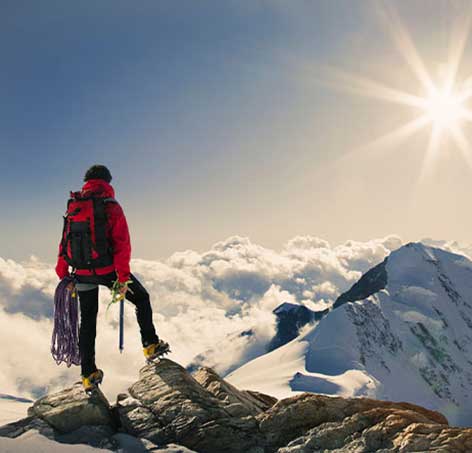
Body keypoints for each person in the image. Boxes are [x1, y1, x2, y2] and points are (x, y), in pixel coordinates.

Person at [55, 165, 169, 391]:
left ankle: (88, 374)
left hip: (81, 273)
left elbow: (64, 242)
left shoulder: (74, 206)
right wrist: (123, 279)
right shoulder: (111, 206)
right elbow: (122, 245)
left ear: (86, 181)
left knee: (87, 322)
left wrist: (63, 274)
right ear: (108, 181)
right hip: (108, 271)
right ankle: (150, 345)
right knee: (142, 299)